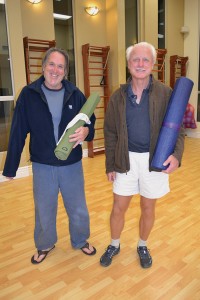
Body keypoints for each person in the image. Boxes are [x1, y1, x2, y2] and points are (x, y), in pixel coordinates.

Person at [3, 47, 97, 264]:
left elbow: (89, 123)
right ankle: (45, 244)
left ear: (66, 71)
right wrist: (10, 168)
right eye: (52, 64)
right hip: (43, 164)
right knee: (44, 207)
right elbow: (18, 131)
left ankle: (81, 240)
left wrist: (86, 132)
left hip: (71, 164)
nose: (55, 70)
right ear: (44, 66)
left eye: (61, 66)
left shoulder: (75, 93)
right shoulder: (29, 95)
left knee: (78, 206)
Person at [100, 42, 185, 268]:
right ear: (128, 64)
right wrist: (110, 165)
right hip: (125, 160)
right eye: (135, 60)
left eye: (145, 60)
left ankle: (142, 245)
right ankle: (114, 244)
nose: (140, 64)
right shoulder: (118, 97)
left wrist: (176, 155)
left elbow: (179, 128)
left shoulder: (166, 93)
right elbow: (109, 132)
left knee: (148, 207)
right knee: (119, 206)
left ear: (153, 64)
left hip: (154, 160)